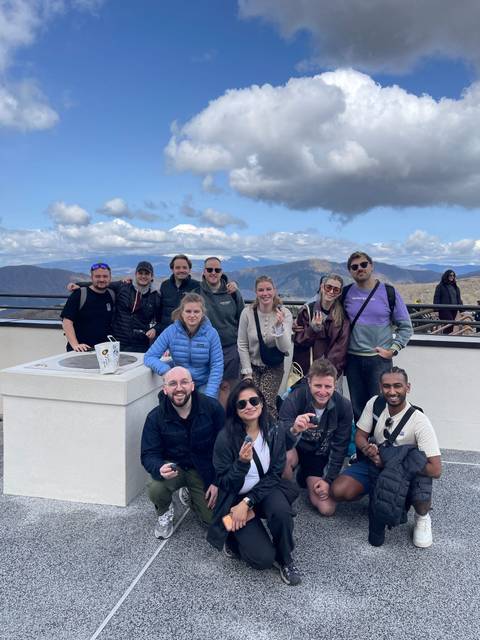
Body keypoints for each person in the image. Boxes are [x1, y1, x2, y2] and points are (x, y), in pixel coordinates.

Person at [331, 367, 441, 548]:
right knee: (338, 490)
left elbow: (436, 469)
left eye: (398, 386)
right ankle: (378, 497)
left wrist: (391, 461)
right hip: (375, 463)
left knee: (423, 480)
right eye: (387, 386)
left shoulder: (420, 421)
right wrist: (368, 449)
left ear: (408, 387)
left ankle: (422, 516)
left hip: (405, 472)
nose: (392, 391)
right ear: (380, 387)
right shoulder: (375, 403)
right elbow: (359, 436)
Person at [207, 380, 301, 586]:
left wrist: (248, 504)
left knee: (282, 512)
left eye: (253, 400)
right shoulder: (226, 438)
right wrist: (241, 464)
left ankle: (286, 559)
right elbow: (224, 482)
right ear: (235, 409)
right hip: (235, 495)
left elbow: (275, 472)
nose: (249, 406)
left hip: (262, 489)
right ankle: (230, 532)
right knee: (263, 559)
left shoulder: (273, 429)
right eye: (242, 404)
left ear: (261, 403)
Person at [141, 366, 224, 539]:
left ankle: (192, 496)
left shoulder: (212, 408)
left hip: (203, 468)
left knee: (213, 520)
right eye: (172, 383)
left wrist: (217, 481)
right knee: (155, 487)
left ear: (192, 386)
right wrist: (159, 468)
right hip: (173, 469)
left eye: (184, 382)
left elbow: (226, 447)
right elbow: (148, 454)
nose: (179, 388)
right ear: (165, 389)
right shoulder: (155, 418)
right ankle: (164, 512)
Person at [343, 251, 413, 423]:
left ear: (371, 266)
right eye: (354, 267)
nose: (360, 268)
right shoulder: (345, 293)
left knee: (381, 408)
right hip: (352, 359)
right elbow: (322, 302)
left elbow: (406, 327)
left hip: (379, 361)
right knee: (358, 409)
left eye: (364, 264)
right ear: (350, 271)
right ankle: (363, 449)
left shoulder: (389, 293)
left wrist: (392, 351)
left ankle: (382, 448)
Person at [279, 358, 353, 516]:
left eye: (328, 386)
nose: (323, 391)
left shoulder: (343, 406)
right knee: (284, 458)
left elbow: (340, 447)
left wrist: (328, 480)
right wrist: (293, 429)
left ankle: (304, 475)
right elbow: (279, 439)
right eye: (318, 385)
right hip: (295, 449)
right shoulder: (295, 397)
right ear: (309, 382)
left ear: (335, 385)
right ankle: (283, 495)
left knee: (327, 509)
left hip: (319, 454)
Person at [68, 260, 161, 352]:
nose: (143, 276)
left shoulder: (155, 296)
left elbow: (160, 320)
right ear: (135, 274)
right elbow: (102, 283)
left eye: (147, 274)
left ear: (151, 276)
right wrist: (78, 285)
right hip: (117, 342)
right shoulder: (123, 286)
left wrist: (155, 329)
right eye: (140, 273)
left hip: (140, 343)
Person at [144, 293, 223, 398]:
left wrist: (209, 395)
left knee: (205, 410)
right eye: (188, 311)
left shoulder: (211, 334)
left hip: (203, 383)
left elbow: (217, 365)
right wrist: (166, 371)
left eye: (196, 311)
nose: (192, 315)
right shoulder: (171, 331)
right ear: (182, 312)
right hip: (180, 384)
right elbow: (149, 356)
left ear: (203, 313)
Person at [237, 275, 293, 419]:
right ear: (256, 292)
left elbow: (284, 347)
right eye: (261, 290)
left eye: (268, 289)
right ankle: (252, 435)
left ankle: (272, 435)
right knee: (250, 403)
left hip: (273, 366)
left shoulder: (284, 313)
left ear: (274, 291)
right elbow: (242, 344)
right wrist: (247, 372)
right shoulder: (247, 313)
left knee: (266, 403)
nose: (265, 293)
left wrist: (280, 328)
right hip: (252, 366)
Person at [196, 256, 244, 407]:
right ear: (203, 272)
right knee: (207, 387)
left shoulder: (232, 293)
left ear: (221, 272)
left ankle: (225, 423)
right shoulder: (196, 293)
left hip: (230, 349)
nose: (213, 273)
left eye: (217, 270)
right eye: (209, 269)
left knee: (226, 387)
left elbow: (242, 318)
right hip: (206, 349)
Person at [292, 273, 350, 381]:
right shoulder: (307, 311)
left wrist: (327, 372)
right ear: (322, 287)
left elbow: (340, 350)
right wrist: (312, 329)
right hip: (306, 371)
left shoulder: (342, 317)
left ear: (340, 293)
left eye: (336, 289)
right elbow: (299, 342)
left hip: (331, 373)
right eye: (329, 287)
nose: (331, 292)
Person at [60, 262, 115, 352]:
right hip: (81, 350)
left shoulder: (111, 295)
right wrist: (75, 345)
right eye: (97, 276)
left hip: (103, 351)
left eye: (105, 276)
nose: (101, 279)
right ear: (91, 278)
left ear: (110, 278)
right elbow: (67, 321)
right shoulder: (79, 294)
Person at [157, 254, 201, 334]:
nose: (181, 270)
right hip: (166, 333)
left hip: (187, 334)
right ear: (172, 269)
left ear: (189, 269)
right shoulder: (165, 285)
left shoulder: (197, 286)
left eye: (184, 267)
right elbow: (159, 310)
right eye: (177, 267)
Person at [433, 270, 463, 334]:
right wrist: (436, 310)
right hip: (444, 309)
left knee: (451, 325)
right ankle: (446, 339)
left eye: (453, 275)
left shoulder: (456, 287)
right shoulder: (440, 286)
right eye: (450, 275)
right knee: (449, 323)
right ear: (446, 276)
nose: (452, 277)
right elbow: (436, 298)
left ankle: (448, 338)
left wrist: (462, 311)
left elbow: (459, 299)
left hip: (454, 309)